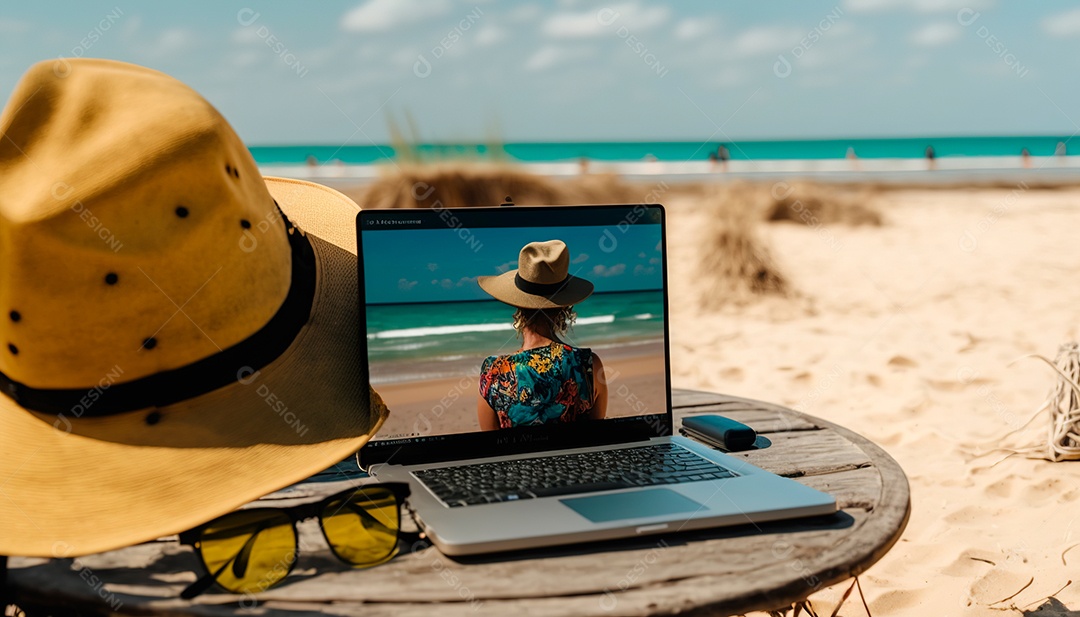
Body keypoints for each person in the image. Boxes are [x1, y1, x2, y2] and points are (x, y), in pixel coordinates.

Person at [475, 240, 607, 429]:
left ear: (517, 303)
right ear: (565, 306)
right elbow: (597, 438)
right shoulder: (589, 364)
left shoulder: (494, 371)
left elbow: (492, 447)